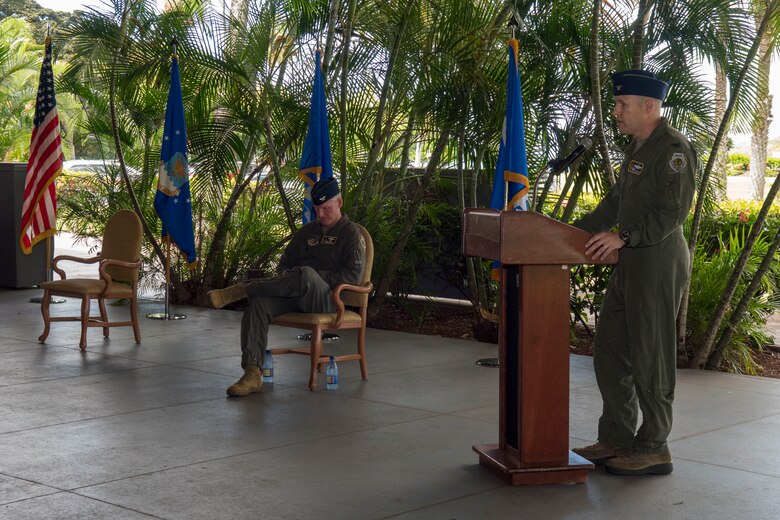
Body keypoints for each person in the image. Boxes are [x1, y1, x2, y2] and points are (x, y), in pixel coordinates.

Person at [570, 69, 696, 476]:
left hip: (656, 262)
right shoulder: (639, 147)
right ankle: (616, 437)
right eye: (617, 104)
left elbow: (672, 212)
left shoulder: (673, 148)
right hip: (630, 263)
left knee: (651, 354)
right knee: (610, 349)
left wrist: (624, 236)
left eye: (623, 105)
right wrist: (570, 232)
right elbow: (615, 202)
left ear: (650, 106)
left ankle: (654, 444)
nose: (616, 111)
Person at [207, 178, 366, 397]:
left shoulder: (351, 235)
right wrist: (293, 277)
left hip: (327, 299)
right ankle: (252, 372)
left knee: (306, 274)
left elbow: (353, 276)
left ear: (340, 202)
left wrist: (312, 277)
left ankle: (245, 288)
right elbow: (284, 266)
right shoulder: (306, 233)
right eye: (317, 209)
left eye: (326, 208)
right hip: (295, 293)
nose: (320, 215)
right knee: (260, 303)